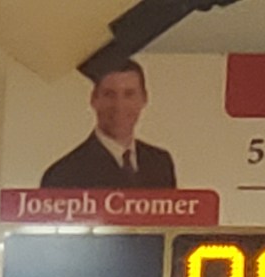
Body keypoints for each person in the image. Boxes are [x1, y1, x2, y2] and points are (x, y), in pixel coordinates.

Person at [40, 59, 176, 189]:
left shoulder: (160, 163)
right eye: (109, 94)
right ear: (94, 99)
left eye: (129, 94)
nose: (119, 106)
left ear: (144, 98)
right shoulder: (63, 173)